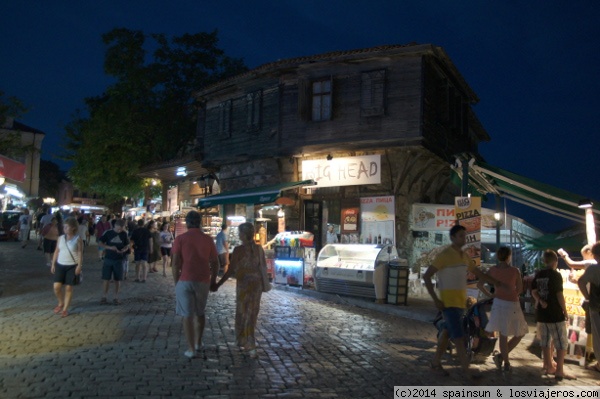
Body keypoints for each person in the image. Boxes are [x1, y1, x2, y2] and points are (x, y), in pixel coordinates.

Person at [422, 224, 500, 378]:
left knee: (446, 332)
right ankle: (467, 370)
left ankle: (435, 363)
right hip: (448, 303)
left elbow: (477, 272)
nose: (464, 238)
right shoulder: (444, 255)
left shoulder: (464, 256)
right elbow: (427, 276)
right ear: (452, 237)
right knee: (458, 337)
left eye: (465, 235)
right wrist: (436, 299)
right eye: (461, 236)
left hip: (460, 302)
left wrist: (495, 282)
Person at [213, 222, 268, 359]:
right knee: (252, 313)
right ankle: (250, 342)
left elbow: (231, 270)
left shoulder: (238, 250)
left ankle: (246, 341)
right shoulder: (259, 249)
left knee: (243, 312)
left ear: (243, 235)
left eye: (239, 233)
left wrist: (218, 284)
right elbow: (263, 267)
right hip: (256, 286)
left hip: (244, 286)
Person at [171, 210, 219, 359]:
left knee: (187, 315)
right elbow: (215, 263)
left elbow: (175, 263)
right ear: (200, 222)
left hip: (185, 279)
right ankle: (198, 342)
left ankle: (191, 348)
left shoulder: (180, 239)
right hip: (203, 279)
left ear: (187, 222)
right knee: (200, 312)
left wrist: (176, 281)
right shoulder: (208, 239)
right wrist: (213, 281)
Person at [477, 246, 529, 372]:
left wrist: (491, 295)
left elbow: (480, 284)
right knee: (520, 332)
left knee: (503, 335)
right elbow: (520, 289)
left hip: (499, 303)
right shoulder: (515, 271)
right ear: (509, 256)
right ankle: (504, 361)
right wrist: (513, 293)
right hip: (513, 304)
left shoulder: (492, 270)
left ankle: (504, 359)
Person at [531, 249, 576, 380]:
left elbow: (534, 291)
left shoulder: (539, 274)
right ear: (555, 261)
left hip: (542, 313)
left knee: (545, 341)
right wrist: (565, 311)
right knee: (561, 342)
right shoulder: (556, 275)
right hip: (554, 312)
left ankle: (548, 365)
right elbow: (559, 295)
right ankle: (559, 371)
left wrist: (540, 300)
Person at [50, 217, 83, 318]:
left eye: (67, 227)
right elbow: (57, 251)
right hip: (60, 264)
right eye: (64, 227)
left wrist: (79, 266)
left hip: (72, 266)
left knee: (68, 288)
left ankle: (65, 309)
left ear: (73, 228)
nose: (64, 229)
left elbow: (80, 253)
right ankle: (61, 302)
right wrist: (53, 264)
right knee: (56, 287)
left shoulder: (78, 239)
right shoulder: (60, 238)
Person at [577, 242, 600, 373]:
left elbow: (581, 281)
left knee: (598, 336)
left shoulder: (594, 269)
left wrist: (587, 296)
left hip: (596, 306)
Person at [98, 219, 130, 305]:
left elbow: (127, 245)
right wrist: (109, 247)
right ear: (114, 226)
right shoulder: (108, 233)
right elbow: (100, 243)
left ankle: (116, 297)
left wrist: (124, 249)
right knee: (106, 279)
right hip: (108, 258)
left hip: (119, 259)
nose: (119, 231)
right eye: (118, 229)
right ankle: (104, 296)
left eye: (121, 229)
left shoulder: (124, 234)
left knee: (118, 279)